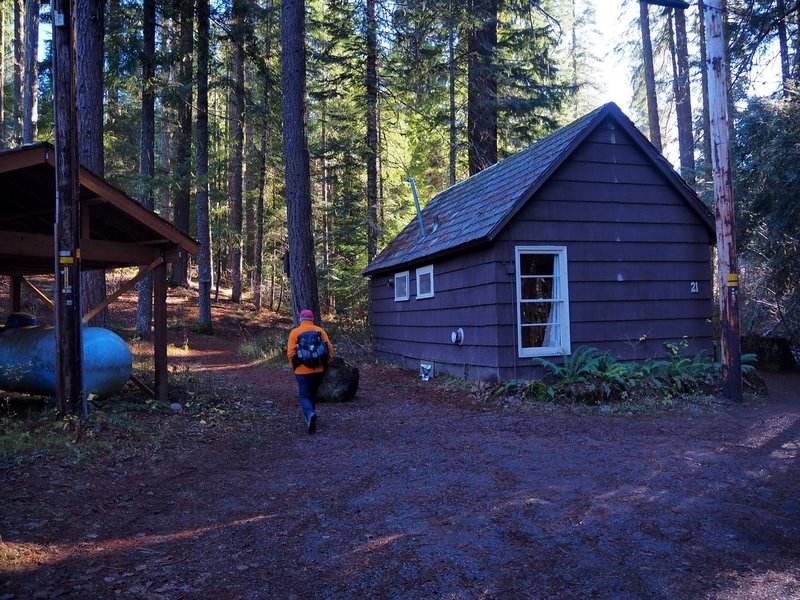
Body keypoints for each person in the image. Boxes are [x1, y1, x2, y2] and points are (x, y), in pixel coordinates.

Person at [287, 309, 333, 434]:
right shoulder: (320, 331)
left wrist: (294, 367)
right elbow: (329, 348)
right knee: (312, 394)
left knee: (304, 395)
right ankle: (310, 416)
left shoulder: (295, 332)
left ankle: (310, 414)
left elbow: (291, 353)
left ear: (301, 320)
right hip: (318, 369)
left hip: (302, 371)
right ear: (312, 319)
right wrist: (326, 362)